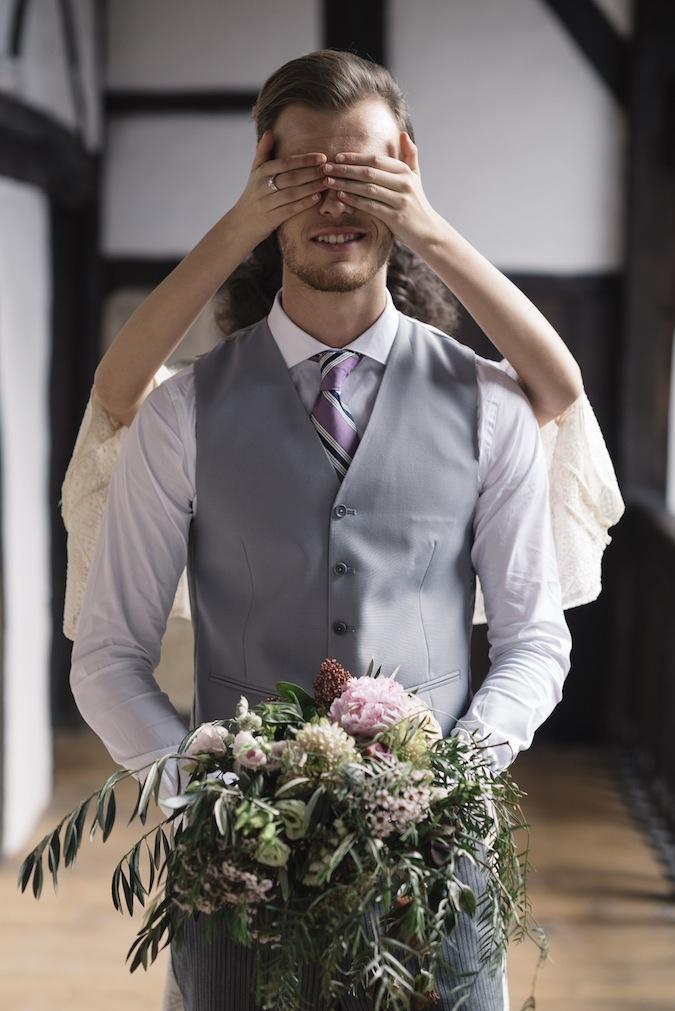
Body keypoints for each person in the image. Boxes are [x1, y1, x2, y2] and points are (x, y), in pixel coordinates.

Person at [64, 49, 624, 1011]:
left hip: (439, 877)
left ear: (404, 166)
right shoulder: (180, 415)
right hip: (236, 882)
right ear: (262, 178)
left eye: (360, 170)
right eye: (303, 174)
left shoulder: (491, 407)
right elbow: (107, 655)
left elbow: (534, 640)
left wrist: (451, 779)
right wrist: (197, 790)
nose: (334, 201)